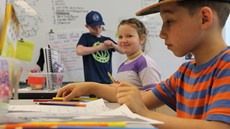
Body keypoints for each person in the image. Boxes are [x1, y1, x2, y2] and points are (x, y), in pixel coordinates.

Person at [57, 0, 230, 129]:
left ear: (204, 18)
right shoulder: (184, 73)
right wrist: (89, 87)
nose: (162, 33)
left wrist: (144, 113)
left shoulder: (226, 66)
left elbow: (219, 127)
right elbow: (140, 98)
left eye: (169, 21)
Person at [57, 18, 161, 98]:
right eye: (120, 37)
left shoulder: (144, 62)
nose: (123, 40)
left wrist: (121, 91)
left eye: (129, 36)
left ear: (142, 38)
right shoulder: (123, 65)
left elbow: (153, 96)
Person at [77, 11, 123, 84]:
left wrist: (113, 45)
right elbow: (79, 51)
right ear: (87, 26)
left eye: (99, 27)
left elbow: (123, 50)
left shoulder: (107, 39)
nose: (98, 30)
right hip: (92, 82)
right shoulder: (85, 37)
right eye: (94, 28)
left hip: (107, 80)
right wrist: (99, 47)